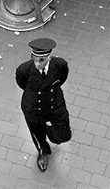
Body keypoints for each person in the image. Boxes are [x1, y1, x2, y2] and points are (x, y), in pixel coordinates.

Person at [15, 38, 71, 172]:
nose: (37, 64)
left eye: (41, 60)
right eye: (34, 58)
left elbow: (62, 78)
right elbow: (22, 84)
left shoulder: (60, 65)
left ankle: (50, 131)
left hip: (55, 104)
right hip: (34, 107)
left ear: (49, 58)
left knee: (64, 136)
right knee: (37, 134)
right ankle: (42, 152)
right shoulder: (24, 70)